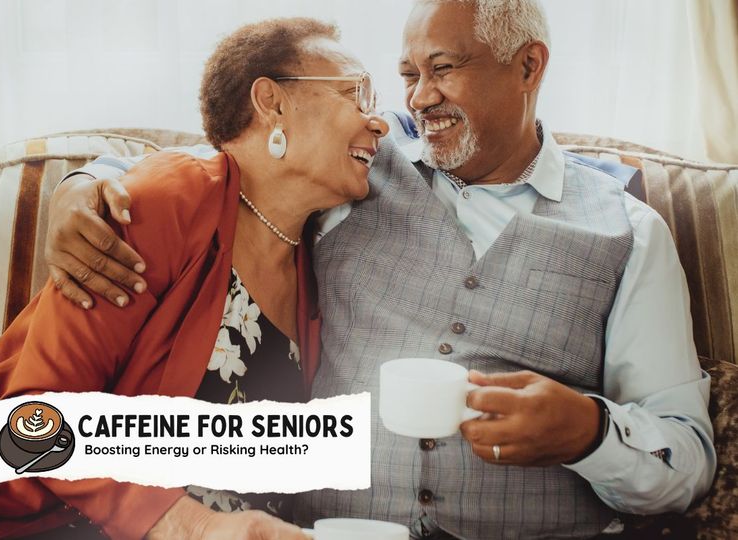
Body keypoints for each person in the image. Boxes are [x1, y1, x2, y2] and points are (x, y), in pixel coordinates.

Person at [45, 0, 716, 538]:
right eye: (407, 76)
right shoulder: (359, 165)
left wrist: (589, 432)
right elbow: (236, 160)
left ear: (528, 67)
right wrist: (85, 184)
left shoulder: (628, 231)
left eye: (444, 68)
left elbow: (688, 460)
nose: (418, 98)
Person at [0, 17, 389, 540]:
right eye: (358, 93)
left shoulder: (315, 256)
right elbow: (27, 425)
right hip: (14, 519)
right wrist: (194, 527)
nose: (380, 122)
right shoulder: (163, 203)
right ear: (272, 102)